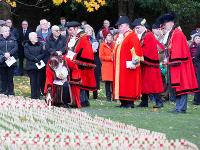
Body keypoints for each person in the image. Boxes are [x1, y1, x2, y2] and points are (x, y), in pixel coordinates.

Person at [158, 13, 198, 113]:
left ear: (171, 23)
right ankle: (179, 107)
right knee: (178, 87)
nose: (163, 26)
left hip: (181, 65)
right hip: (176, 65)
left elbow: (177, 51)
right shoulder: (173, 34)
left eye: (165, 24)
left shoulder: (177, 34)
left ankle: (181, 108)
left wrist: (169, 60)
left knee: (182, 86)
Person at [132, 18, 164, 108]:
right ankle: (144, 102)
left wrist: (138, 55)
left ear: (143, 26)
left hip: (151, 65)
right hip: (146, 64)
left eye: (138, 28)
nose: (136, 30)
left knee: (154, 84)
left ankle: (159, 102)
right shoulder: (144, 35)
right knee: (145, 84)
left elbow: (148, 50)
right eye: (136, 28)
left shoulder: (148, 35)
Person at [113, 16, 143, 108]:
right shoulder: (121, 36)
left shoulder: (131, 35)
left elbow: (136, 49)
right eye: (118, 27)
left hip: (129, 65)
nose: (119, 28)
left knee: (129, 83)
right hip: (120, 66)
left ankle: (129, 102)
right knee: (122, 83)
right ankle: (123, 102)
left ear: (126, 26)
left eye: (120, 26)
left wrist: (134, 62)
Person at [66, 21, 96, 107]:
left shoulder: (83, 37)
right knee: (75, 83)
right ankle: (80, 100)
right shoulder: (71, 37)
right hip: (71, 63)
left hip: (80, 64)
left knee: (79, 83)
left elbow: (86, 51)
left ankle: (82, 101)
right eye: (68, 30)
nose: (69, 31)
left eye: (71, 29)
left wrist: (76, 59)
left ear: (76, 28)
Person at [24, 32, 45, 99]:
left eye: (37, 36)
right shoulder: (27, 45)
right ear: (31, 38)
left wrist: (37, 58)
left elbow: (43, 53)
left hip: (39, 65)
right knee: (33, 81)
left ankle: (38, 95)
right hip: (31, 65)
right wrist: (34, 58)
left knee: (39, 80)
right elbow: (27, 54)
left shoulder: (40, 44)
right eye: (35, 36)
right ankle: (33, 95)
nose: (37, 37)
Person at [84, 24, 101, 99]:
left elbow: (97, 51)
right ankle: (86, 94)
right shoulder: (83, 40)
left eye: (90, 30)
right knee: (87, 76)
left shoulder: (95, 40)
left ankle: (95, 94)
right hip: (86, 59)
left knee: (95, 76)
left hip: (94, 60)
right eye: (87, 30)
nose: (89, 32)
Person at [0, 26, 18, 95]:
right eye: (5, 31)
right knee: (3, 77)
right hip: (2, 61)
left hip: (11, 61)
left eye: (8, 31)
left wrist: (9, 53)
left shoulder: (13, 39)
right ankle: (3, 91)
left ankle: (11, 92)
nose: (7, 32)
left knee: (10, 78)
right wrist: (4, 54)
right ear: (2, 32)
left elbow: (16, 48)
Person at [36, 19, 51, 95]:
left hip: (50, 57)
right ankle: (42, 91)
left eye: (46, 23)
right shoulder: (37, 34)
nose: (45, 25)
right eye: (43, 24)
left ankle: (50, 91)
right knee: (41, 75)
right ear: (40, 25)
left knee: (50, 75)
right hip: (40, 58)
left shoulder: (52, 33)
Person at [99, 32, 114, 101]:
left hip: (114, 66)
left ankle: (114, 97)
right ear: (105, 37)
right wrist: (110, 58)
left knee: (114, 82)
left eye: (111, 35)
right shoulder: (102, 45)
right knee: (107, 82)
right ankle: (108, 97)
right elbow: (101, 56)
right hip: (106, 66)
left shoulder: (115, 44)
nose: (109, 37)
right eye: (108, 35)